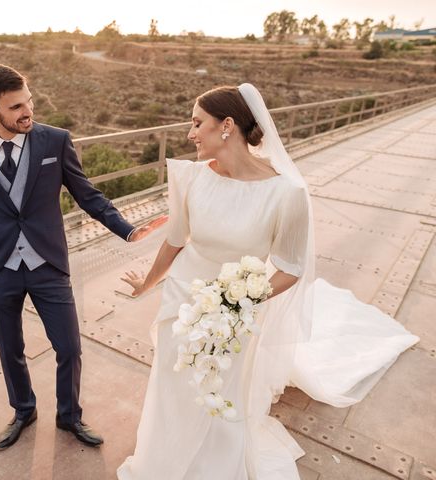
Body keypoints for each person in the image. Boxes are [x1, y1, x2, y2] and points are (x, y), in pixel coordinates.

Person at [118, 84, 419, 479]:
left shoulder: (286, 193)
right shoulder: (189, 177)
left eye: (197, 123)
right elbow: (176, 240)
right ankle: (161, 459)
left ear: (227, 126)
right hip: (182, 295)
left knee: (218, 390)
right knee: (171, 382)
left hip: (237, 311)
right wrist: (149, 283)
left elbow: (291, 267)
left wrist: (240, 302)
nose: (190, 134)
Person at [0, 64, 166, 451]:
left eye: (29, 102)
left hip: (48, 264)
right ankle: (24, 410)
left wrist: (127, 229)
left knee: (69, 347)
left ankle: (69, 416)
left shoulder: (55, 141)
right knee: (9, 349)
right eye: (16, 107)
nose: (28, 112)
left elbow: (87, 194)